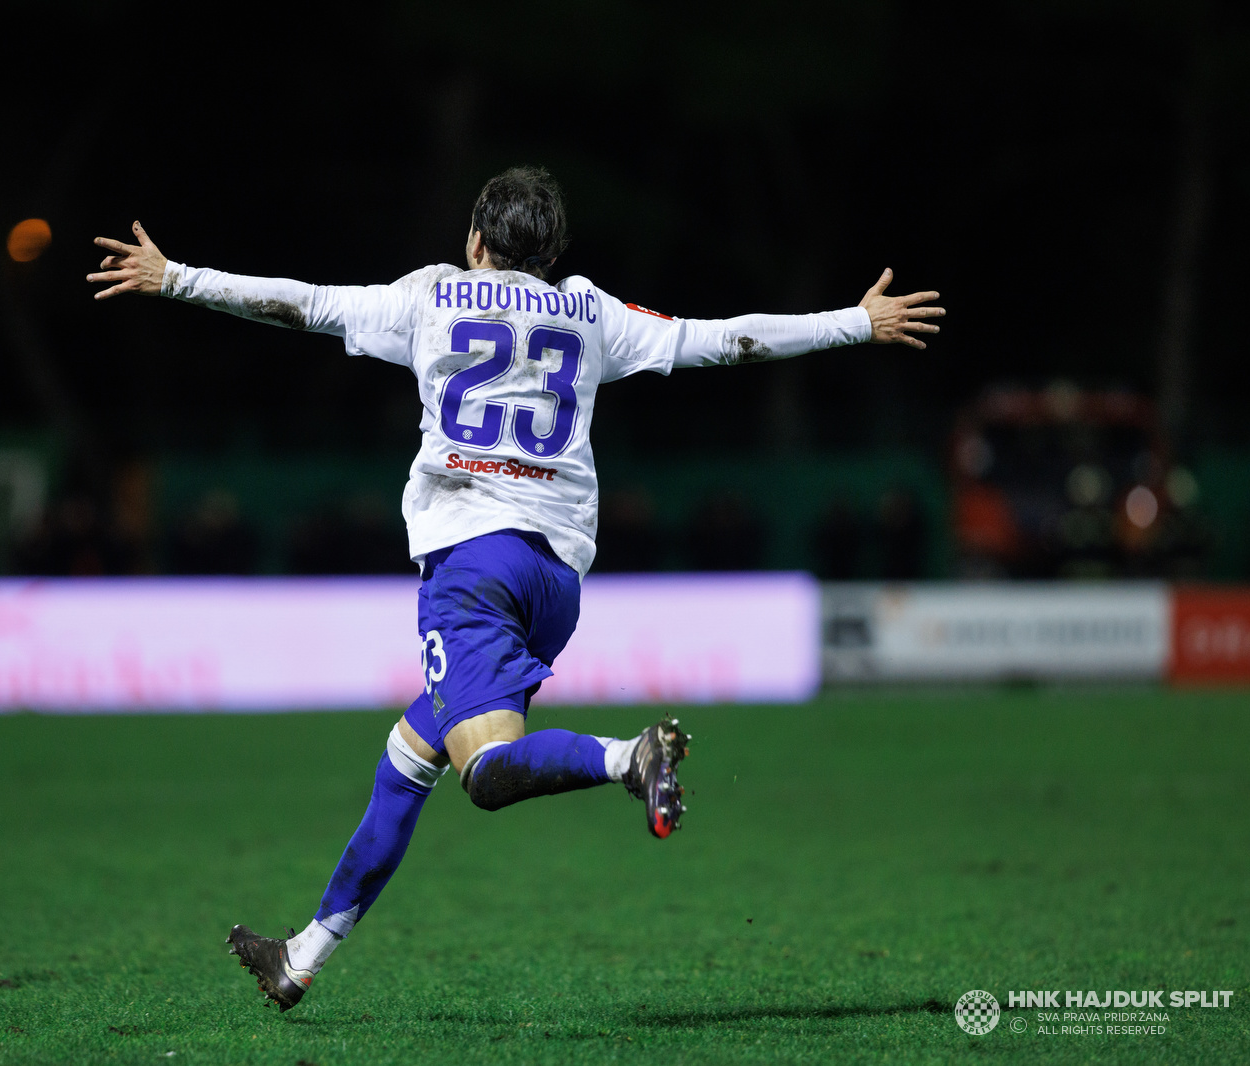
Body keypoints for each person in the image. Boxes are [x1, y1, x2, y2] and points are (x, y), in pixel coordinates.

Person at [87, 167, 943, 1011]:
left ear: (474, 240)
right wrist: (855, 323)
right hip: (557, 582)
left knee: (486, 771)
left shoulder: (431, 297)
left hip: (470, 570)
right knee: (408, 761)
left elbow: (300, 301)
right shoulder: (592, 310)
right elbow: (723, 338)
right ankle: (303, 954)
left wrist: (175, 278)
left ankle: (628, 757)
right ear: (554, 252)